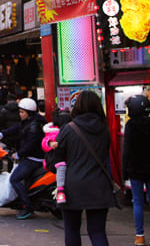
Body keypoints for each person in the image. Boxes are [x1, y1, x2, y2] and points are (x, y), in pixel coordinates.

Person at [50, 90, 115, 246]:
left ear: (77, 106)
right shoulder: (104, 129)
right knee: (97, 231)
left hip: (74, 185)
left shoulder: (69, 129)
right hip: (100, 184)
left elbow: (56, 159)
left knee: (72, 230)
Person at [123, 95, 150, 246]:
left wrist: (124, 171)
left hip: (135, 169)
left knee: (138, 202)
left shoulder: (131, 125)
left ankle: (140, 236)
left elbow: (126, 150)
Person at [0, 97, 45, 219]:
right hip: (28, 156)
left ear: (29, 113)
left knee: (15, 179)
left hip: (33, 159)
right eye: (20, 111)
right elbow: (16, 128)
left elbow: (31, 145)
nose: (20, 114)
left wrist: (19, 154)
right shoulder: (28, 122)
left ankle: (26, 206)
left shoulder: (35, 127)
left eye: (22, 112)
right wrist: (2, 134)